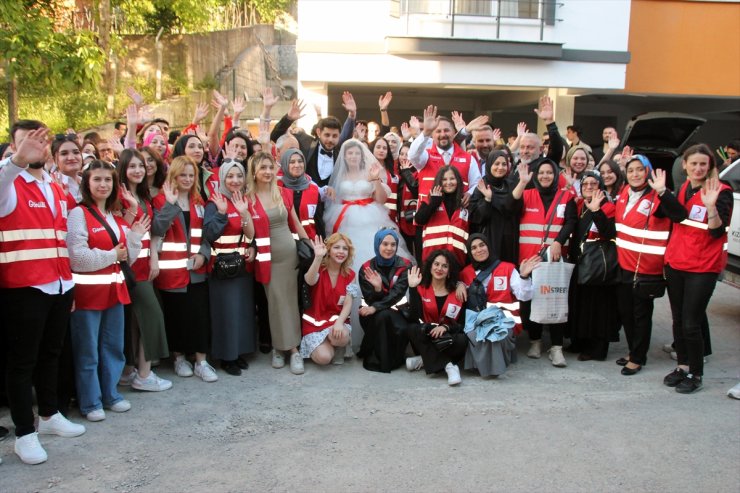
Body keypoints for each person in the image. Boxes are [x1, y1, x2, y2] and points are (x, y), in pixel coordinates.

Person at [0, 122, 86, 465]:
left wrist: (70, 283)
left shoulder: (52, 184)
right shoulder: (8, 182)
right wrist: (16, 161)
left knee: (52, 354)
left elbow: (63, 236)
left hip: (59, 284)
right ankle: (25, 433)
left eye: (40, 142)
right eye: (26, 143)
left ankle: (49, 415)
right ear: (14, 148)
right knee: (22, 363)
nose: (35, 148)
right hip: (24, 288)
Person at [66, 160, 148, 421]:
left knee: (113, 347)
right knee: (88, 351)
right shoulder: (79, 214)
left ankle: (110, 394)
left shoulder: (115, 216)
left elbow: (128, 259)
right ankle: (90, 402)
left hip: (115, 292)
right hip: (88, 296)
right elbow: (77, 257)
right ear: (87, 184)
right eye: (97, 179)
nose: (103, 184)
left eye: (108, 180)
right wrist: (111, 254)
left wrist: (133, 235)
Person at [662, 144, 733, 393]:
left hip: (703, 267)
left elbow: (715, 231)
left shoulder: (721, 191)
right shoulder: (683, 189)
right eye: (694, 164)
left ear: (710, 166)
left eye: (703, 164)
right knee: (679, 320)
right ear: (685, 166)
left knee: (692, 323)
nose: (698, 168)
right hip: (677, 264)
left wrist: (711, 206)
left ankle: (696, 372)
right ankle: (682, 365)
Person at [614, 155, 685, 376]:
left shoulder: (658, 197)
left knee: (641, 315)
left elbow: (680, 215)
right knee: (626, 314)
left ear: (648, 172)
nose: (635, 174)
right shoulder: (625, 192)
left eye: (639, 170)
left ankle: (637, 357)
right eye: (631, 170)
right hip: (624, 265)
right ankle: (633, 350)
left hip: (646, 269)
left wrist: (663, 192)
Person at [151, 156, 216, 383]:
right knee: (176, 318)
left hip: (197, 271)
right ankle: (179, 358)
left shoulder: (199, 201)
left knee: (200, 317)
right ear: (174, 176)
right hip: (171, 273)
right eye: (183, 175)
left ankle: (201, 361)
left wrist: (203, 255)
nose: (187, 179)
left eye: (191, 175)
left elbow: (206, 236)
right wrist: (170, 204)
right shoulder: (160, 200)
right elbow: (156, 229)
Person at [509, 159, 577, 367]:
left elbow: (571, 221)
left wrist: (558, 241)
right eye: (541, 173)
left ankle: (556, 347)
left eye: (549, 172)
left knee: (556, 301)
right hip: (529, 260)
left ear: (556, 175)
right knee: (530, 301)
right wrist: (521, 183)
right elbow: (511, 207)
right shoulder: (527, 195)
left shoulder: (567, 197)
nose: (545, 176)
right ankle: (535, 341)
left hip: (555, 260)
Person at [247, 152, 310, 375]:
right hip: (266, 258)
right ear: (253, 171)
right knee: (274, 303)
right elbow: (247, 232)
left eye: (270, 167)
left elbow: (295, 223)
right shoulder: (247, 198)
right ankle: (279, 347)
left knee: (291, 302)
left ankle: (293, 351)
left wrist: (309, 245)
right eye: (262, 167)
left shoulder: (283, 192)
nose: (267, 172)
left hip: (289, 255)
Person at [117, 149, 172, 392]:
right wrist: (129, 209)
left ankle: (132, 371)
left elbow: (149, 232)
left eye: (141, 166)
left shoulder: (143, 196)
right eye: (132, 167)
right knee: (152, 317)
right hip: (130, 269)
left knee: (139, 323)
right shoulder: (119, 196)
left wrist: (154, 260)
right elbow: (119, 232)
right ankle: (144, 374)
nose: (138, 170)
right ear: (123, 169)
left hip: (144, 266)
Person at [324, 139, 413, 275]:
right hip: (345, 217)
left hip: (369, 214)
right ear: (345, 156)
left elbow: (381, 199)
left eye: (357, 153)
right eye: (350, 153)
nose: (353, 156)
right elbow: (335, 197)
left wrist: (376, 179)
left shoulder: (369, 172)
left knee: (373, 248)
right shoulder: (339, 175)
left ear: (362, 156)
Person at [459, 235, 539, 378]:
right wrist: (458, 284)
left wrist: (524, 277)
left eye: (482, 245)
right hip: (477, 322)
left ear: (489, 246)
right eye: (474, 248)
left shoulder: (507, 268)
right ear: (470, 253)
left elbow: (525, 296)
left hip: (504, 322)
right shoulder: (465, 273)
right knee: (474, 334)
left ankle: (489, 369)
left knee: (494, 335)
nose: (479, 250)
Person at [203, 160, 256, 376]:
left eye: (239, 176)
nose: (235, 181)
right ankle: (227, 357)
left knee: (241, 311)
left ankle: (239, 351)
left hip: (241, 266)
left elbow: (250, 234)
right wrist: (222, 214)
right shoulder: (214, 202)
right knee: (225, 313)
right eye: (230, 176)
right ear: (222, 178)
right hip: (221, 269)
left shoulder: (243, 201)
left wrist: (244, 213)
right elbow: (209, 234)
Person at [568, 172, 619, 361]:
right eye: (585, 184)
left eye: (593, 184)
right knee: (582, 305)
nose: (589, 187)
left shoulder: (608, 206)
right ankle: (580, 342)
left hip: (598, 265)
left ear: (600, 187)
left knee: (598, 308)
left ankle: (596, 349)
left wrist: (597, 211)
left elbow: (609, 232)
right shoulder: (580, 204)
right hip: (581, 263)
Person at [270, 93, 357, 192]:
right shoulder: (305, 142)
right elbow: (274, 136)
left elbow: (347, 134)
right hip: (305, 199)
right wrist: (288, 119)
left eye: (335, 136)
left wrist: (352, 115)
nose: (330, 140)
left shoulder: (339, 149)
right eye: (327, 135)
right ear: (319, 132)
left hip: (332, 202)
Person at [405, 250, 467, 386]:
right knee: (411, 328)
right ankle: (450, 367)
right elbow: (414, 317)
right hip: (427, 335)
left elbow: (462, 323)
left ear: (449, 270)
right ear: (430, 266)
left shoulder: (457, 292)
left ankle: (424, 359)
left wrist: (445, 327)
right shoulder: (421, 288)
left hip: (447, 337)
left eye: (444, 266)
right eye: (436, 264)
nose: (439, 268)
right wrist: (412, 288)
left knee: (462, 340)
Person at [358, 229, 412, 373]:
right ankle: (384, 361)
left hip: (398, 312)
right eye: (385, 244)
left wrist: (377, 306)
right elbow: (369, 299)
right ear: (377, 244)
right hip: (371, 314)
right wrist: (377, 289)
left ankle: (387, 359)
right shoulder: (366, 268)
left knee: (384, 315)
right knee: (382, 316)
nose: (389, 248)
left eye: (393, 245)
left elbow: (397, 294)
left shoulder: (405, 265)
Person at [299, 234, 356, 365]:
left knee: (342, 337)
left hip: (335, 322)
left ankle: (336, 345)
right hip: (315, 323)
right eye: (336, 247)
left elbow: (348, 303)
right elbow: (309, 280)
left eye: (345, 248)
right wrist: (318, 257)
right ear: (329, 250)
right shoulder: (318, 268)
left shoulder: (351, 274)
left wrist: (339, 323)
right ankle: (326, 347)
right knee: (324, 359)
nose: (341, 251)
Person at [469, 149, 519, 264]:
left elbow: (514, 208)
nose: (500, 167)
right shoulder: (482, 186)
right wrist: (487, 199)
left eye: (504, 164)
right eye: (496, 164)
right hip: (489, 238)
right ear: (489, 164)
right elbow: (476, 217)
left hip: (509, 238)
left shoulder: (511, 185)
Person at [414, 165, 469, 267]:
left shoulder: (465, 204)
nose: (448, 183)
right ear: (439, 182)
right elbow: (419, 220)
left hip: (457, 262)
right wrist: (434, 203)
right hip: (432, 263)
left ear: (458, 181)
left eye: (452, 178)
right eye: (444, 179)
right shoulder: (431, 199)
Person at [278, 148, 324, 239]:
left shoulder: (313, 190)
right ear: (285, 164)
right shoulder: (277, 188)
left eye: (300, 161)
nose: (297, 165)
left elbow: (318, 221)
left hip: (308, 244)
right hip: (285, 242)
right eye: (292, 162)